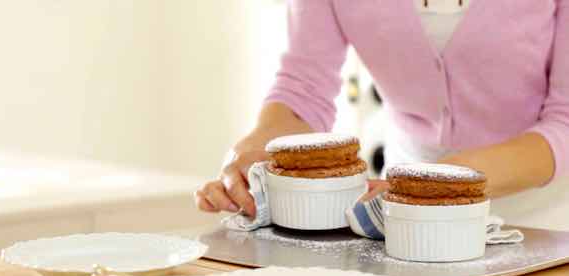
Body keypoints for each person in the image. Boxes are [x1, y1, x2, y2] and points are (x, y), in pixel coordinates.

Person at [195, 0, 569, 227]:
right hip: (404, 216)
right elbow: (303, 87)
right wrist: (254, 152)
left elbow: (565, 121)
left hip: (547, 217)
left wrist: (429, 183)